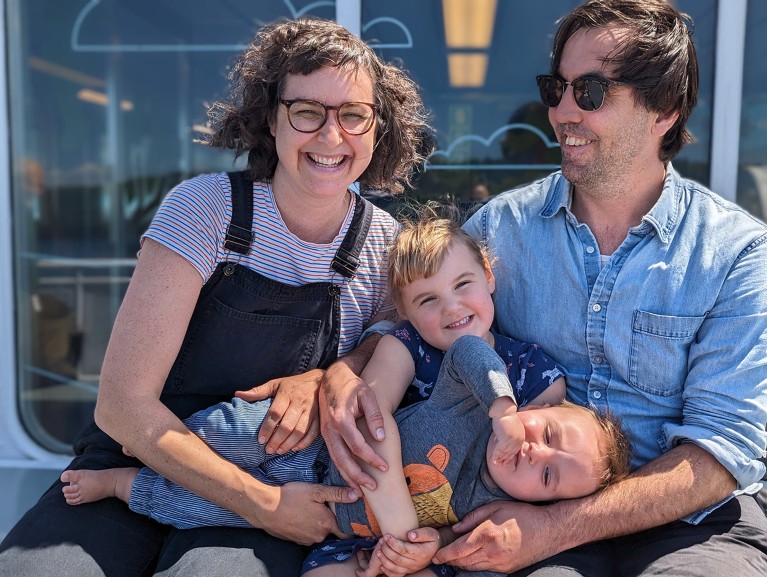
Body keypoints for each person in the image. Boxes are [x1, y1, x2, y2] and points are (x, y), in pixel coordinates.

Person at [320, 2, 767, 576]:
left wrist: (558, 526)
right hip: (507, 506)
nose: (560, 112)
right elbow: (419, 324)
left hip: (688, 525)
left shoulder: (737, 252)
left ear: (664, 111)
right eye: (556, 88)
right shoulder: (498, 229)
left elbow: (721, 453)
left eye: (590, 91)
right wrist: (343, 370)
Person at [0, 18, 430, 577]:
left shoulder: (384, 243)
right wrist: (264, 506)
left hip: (276, 472)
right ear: (271, 118)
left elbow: (386, 346)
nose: (331, 137)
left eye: (353, 115)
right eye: (307, 112)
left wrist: (330, 374)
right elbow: (122, 407)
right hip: (144, 456)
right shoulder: (206, 210)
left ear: (378, 129)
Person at [57, 217, 631, 577]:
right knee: (228, 432)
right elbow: (370, 420)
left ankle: (124, 485)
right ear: (402, 309)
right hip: (323, 452)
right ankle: (144, 447)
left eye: (462, 287)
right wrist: (408, 533)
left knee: (203, 508)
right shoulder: (419, 347)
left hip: (339, 516)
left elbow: (517, 496)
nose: (452, 310)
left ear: (489, 276)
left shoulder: (537, 410)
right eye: (427, 299)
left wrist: (422, 546)